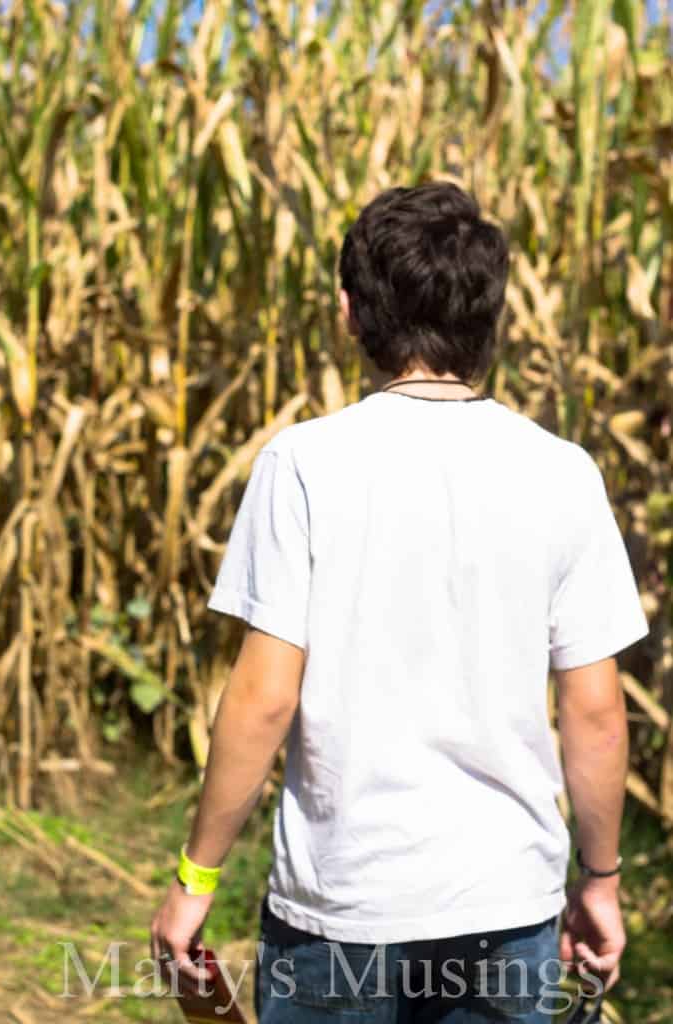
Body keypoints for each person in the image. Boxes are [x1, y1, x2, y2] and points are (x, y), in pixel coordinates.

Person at [150, 182, 649, 1021]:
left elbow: (265, 695)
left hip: (340, 911)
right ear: (490, 317)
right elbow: (595, 713)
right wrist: (600, 882)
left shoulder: (304, 462)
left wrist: (195, 881)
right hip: (508, 904)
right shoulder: (563, 471)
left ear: (350, 311)